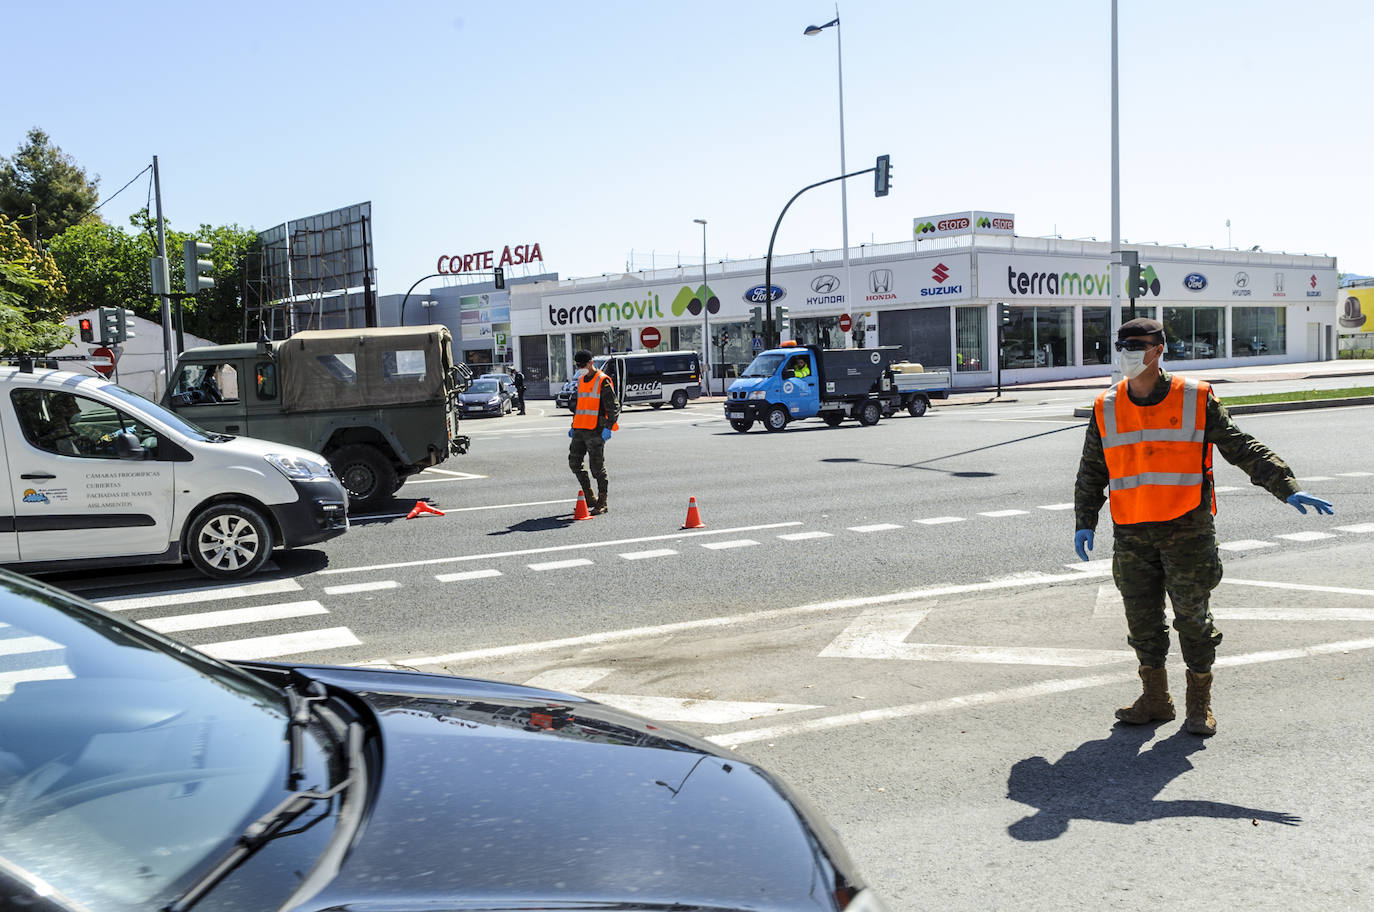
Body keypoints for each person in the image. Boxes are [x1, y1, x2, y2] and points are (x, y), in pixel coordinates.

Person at [1074, 317, 1333, 737]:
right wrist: (1085, 520)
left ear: (1159, 350)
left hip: (1186, 530)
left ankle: (1200, 703)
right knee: (1141, 621)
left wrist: (1285, 486)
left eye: (1136, 344)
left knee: (1193, 620)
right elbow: (1091, 471)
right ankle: (1155, 698)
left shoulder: (1194, 398)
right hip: (1132, 534)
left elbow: (1240, 446)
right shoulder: (1106, 405)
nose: (1127, 352)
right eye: (1121, 344)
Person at [567, 350, 619, 515]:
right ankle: (589, 496)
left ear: (591, 362)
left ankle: (602, 502)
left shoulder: (602, 381)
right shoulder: (581, 380)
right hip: (580, 429)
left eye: (584, 365)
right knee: (574, 463)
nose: (581, 368)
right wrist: (573, 425)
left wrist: (608, 427)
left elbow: (614, 407)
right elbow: (580, 405)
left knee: (596, 468)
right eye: (579, 365)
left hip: (596, 431)